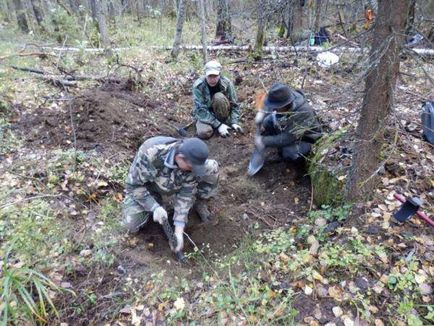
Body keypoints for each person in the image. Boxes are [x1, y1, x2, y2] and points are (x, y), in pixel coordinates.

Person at [122, 136, 219, 258]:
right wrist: (154, 207)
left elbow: (186, 194)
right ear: (179, 158)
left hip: (172, 184)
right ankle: (156, 201)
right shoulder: (150, 153)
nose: (193, 171)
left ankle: (200, 202)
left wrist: (178, 230)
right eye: (191, 167)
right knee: (131, 224)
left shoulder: (190, 165)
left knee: (211, 167)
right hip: (148, 189)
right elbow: (133, 186)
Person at [248, 83, 322, 176]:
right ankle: (273, 145)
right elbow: (269, 102)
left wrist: (263, 141)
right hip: (288, 124)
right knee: (267, 122)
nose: (274, 108)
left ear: (286, 104)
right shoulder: (285, 95)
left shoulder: (303, 112)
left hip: (306, 138)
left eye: (277, 107)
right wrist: (261, 112)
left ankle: (296, 166)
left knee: (289, 153)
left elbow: (287, 138)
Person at [192, 60, 242, 139]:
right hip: (206, 115)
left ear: (219, 74)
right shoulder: (198, 86)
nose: (212, 79)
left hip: (223, 113)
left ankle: (224, 123)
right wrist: (218, 125)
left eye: (215, 76)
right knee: (203, 133)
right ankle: (218, 126)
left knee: (218, 97)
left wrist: (234, 122)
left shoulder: (227, 83)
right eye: (210, 76)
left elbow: (235, 104)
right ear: (205, 75)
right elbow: (200, 110)